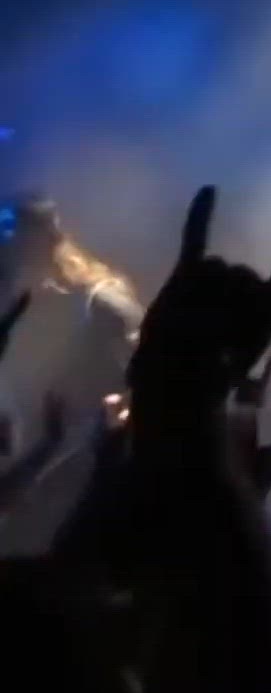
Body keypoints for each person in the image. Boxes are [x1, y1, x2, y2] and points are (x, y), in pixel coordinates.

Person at [0, 193, 143, 551]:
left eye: (16, 239)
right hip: (35, 476)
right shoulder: (22, 303)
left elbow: (150, 377)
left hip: (85, 475)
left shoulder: (100, 303)